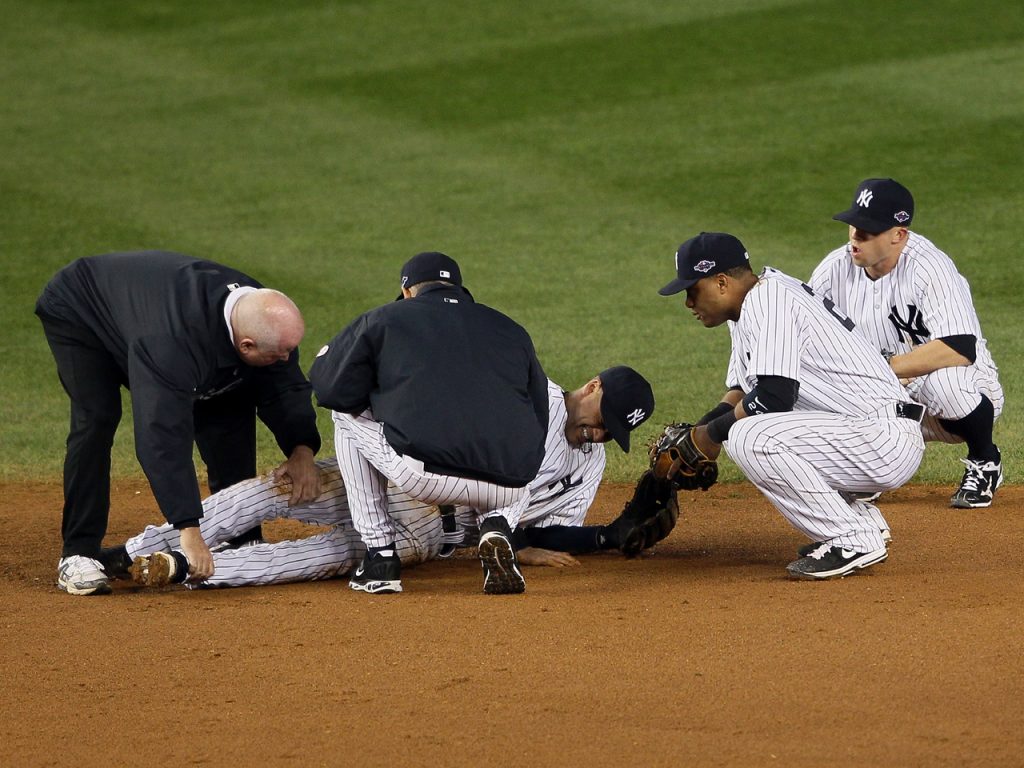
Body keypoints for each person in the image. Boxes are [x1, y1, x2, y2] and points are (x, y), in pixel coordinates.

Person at [115, 365, 656, 590]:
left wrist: (587, 539)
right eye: (601, 423)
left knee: (320, 558)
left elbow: (537, 530)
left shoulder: (591, 465)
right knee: (271, 491)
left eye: (612, 436)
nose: (598, 436)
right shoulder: (521, 397)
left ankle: (180, 568)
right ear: (592, 387)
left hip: (429, 534)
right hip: (393, 479)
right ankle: (132, 551)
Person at [35, 251, 322, 596]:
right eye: (280, 354)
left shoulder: (265, 316)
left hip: (149, 313)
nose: (287, 359)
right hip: (83, 310)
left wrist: (302, 449)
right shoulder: (171, 343)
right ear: (245, 343)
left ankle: (239, 537)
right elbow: (162, 437)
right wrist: (189, 530)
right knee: (96, 418)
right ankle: (77, 553)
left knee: (229, 399)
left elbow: (286, 386)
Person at [658, 232, 926, 580]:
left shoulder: (768, 300)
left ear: (721, 282)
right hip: (863, 431)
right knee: (749, 425)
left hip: (881, 438)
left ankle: (852, 538)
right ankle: (862, 523)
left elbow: (774, 396)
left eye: (692, 291)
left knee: (749, 436)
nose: (688, 303)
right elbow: (742, 391)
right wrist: (698, 433)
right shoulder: (751, 305)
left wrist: (713, 435)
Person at [309, 251, 550, 595]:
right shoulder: (511, 329)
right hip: (511, 487)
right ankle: (497, 526)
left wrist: (383, 396)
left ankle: (380, 557)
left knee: (343, 413)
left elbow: (329, 388)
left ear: (408, 291)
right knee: (494, 431)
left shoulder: (386, 319)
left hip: (424, 478)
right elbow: (539, 411)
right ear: (460, 288)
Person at [810, 178, 1004, 508]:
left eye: (867, 230)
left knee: (948, 385)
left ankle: (985, 460)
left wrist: (882, 371)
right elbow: (807, 336)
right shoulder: (834, 269)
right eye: (853, 225)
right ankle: (868, 471)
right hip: (884, 399)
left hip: (961, 391)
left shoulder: (930, 267)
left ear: (898, 235)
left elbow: (959, 347)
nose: (855, 236)